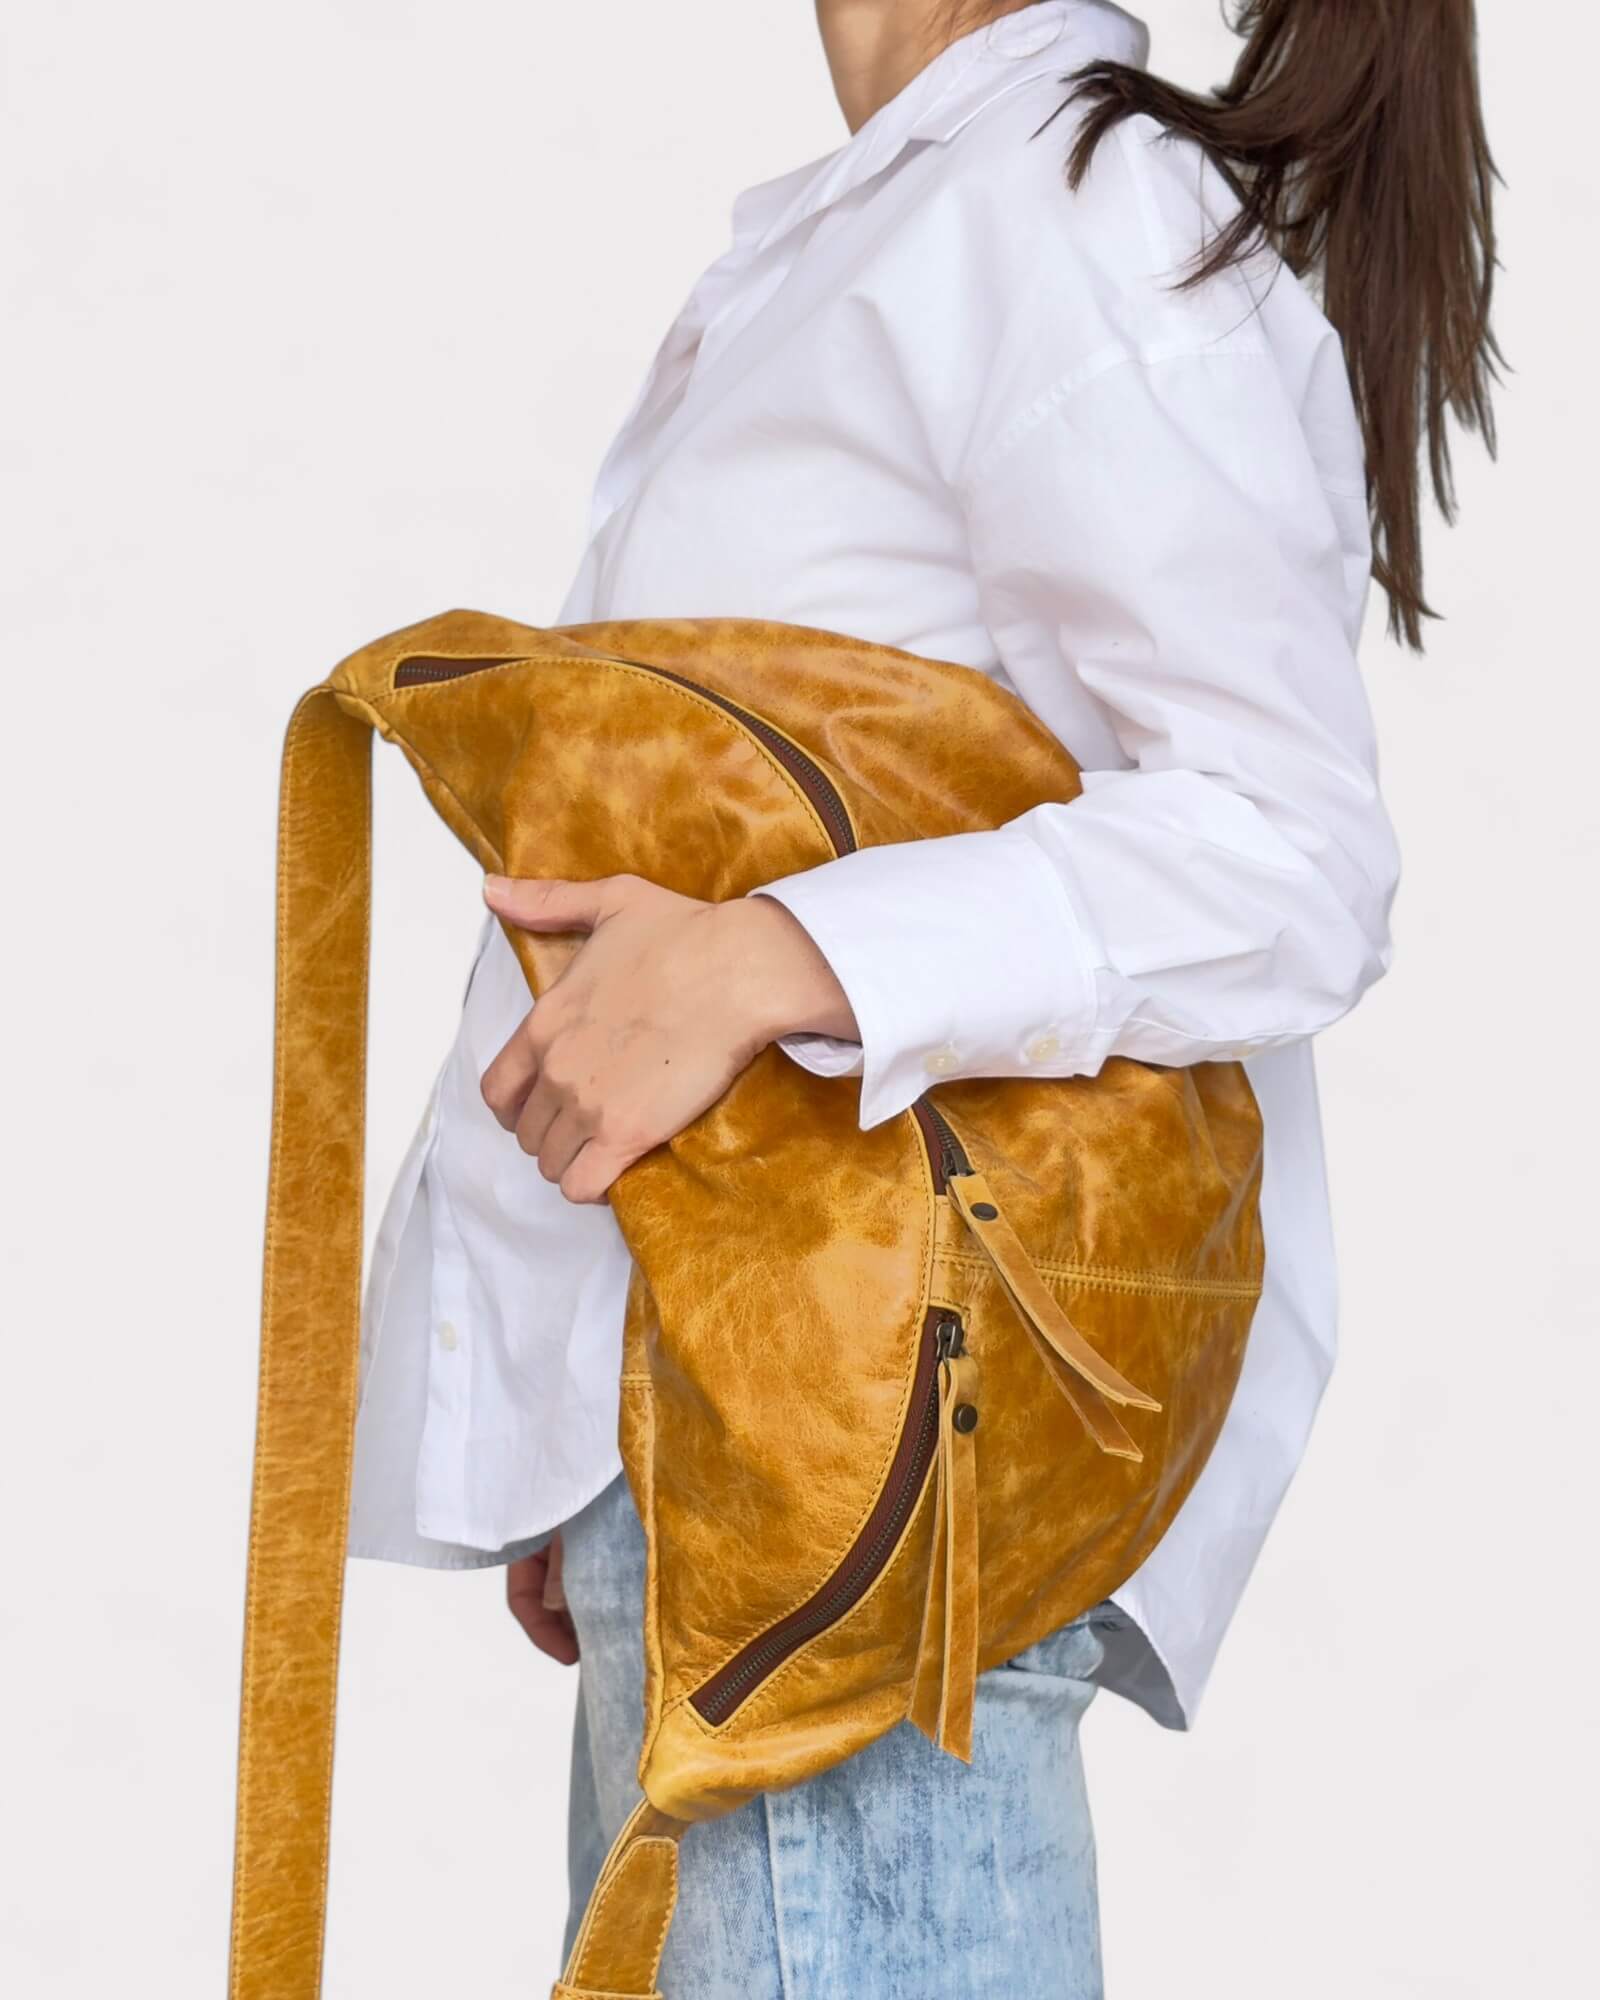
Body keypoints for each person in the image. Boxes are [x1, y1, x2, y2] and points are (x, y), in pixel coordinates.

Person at [345, 2, 1498, 1991]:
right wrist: (587, 1397)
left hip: (860, 1521)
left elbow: (1285, 847)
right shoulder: (902, 221)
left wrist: (767, 957)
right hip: (745, 1476)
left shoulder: (1064, 210)